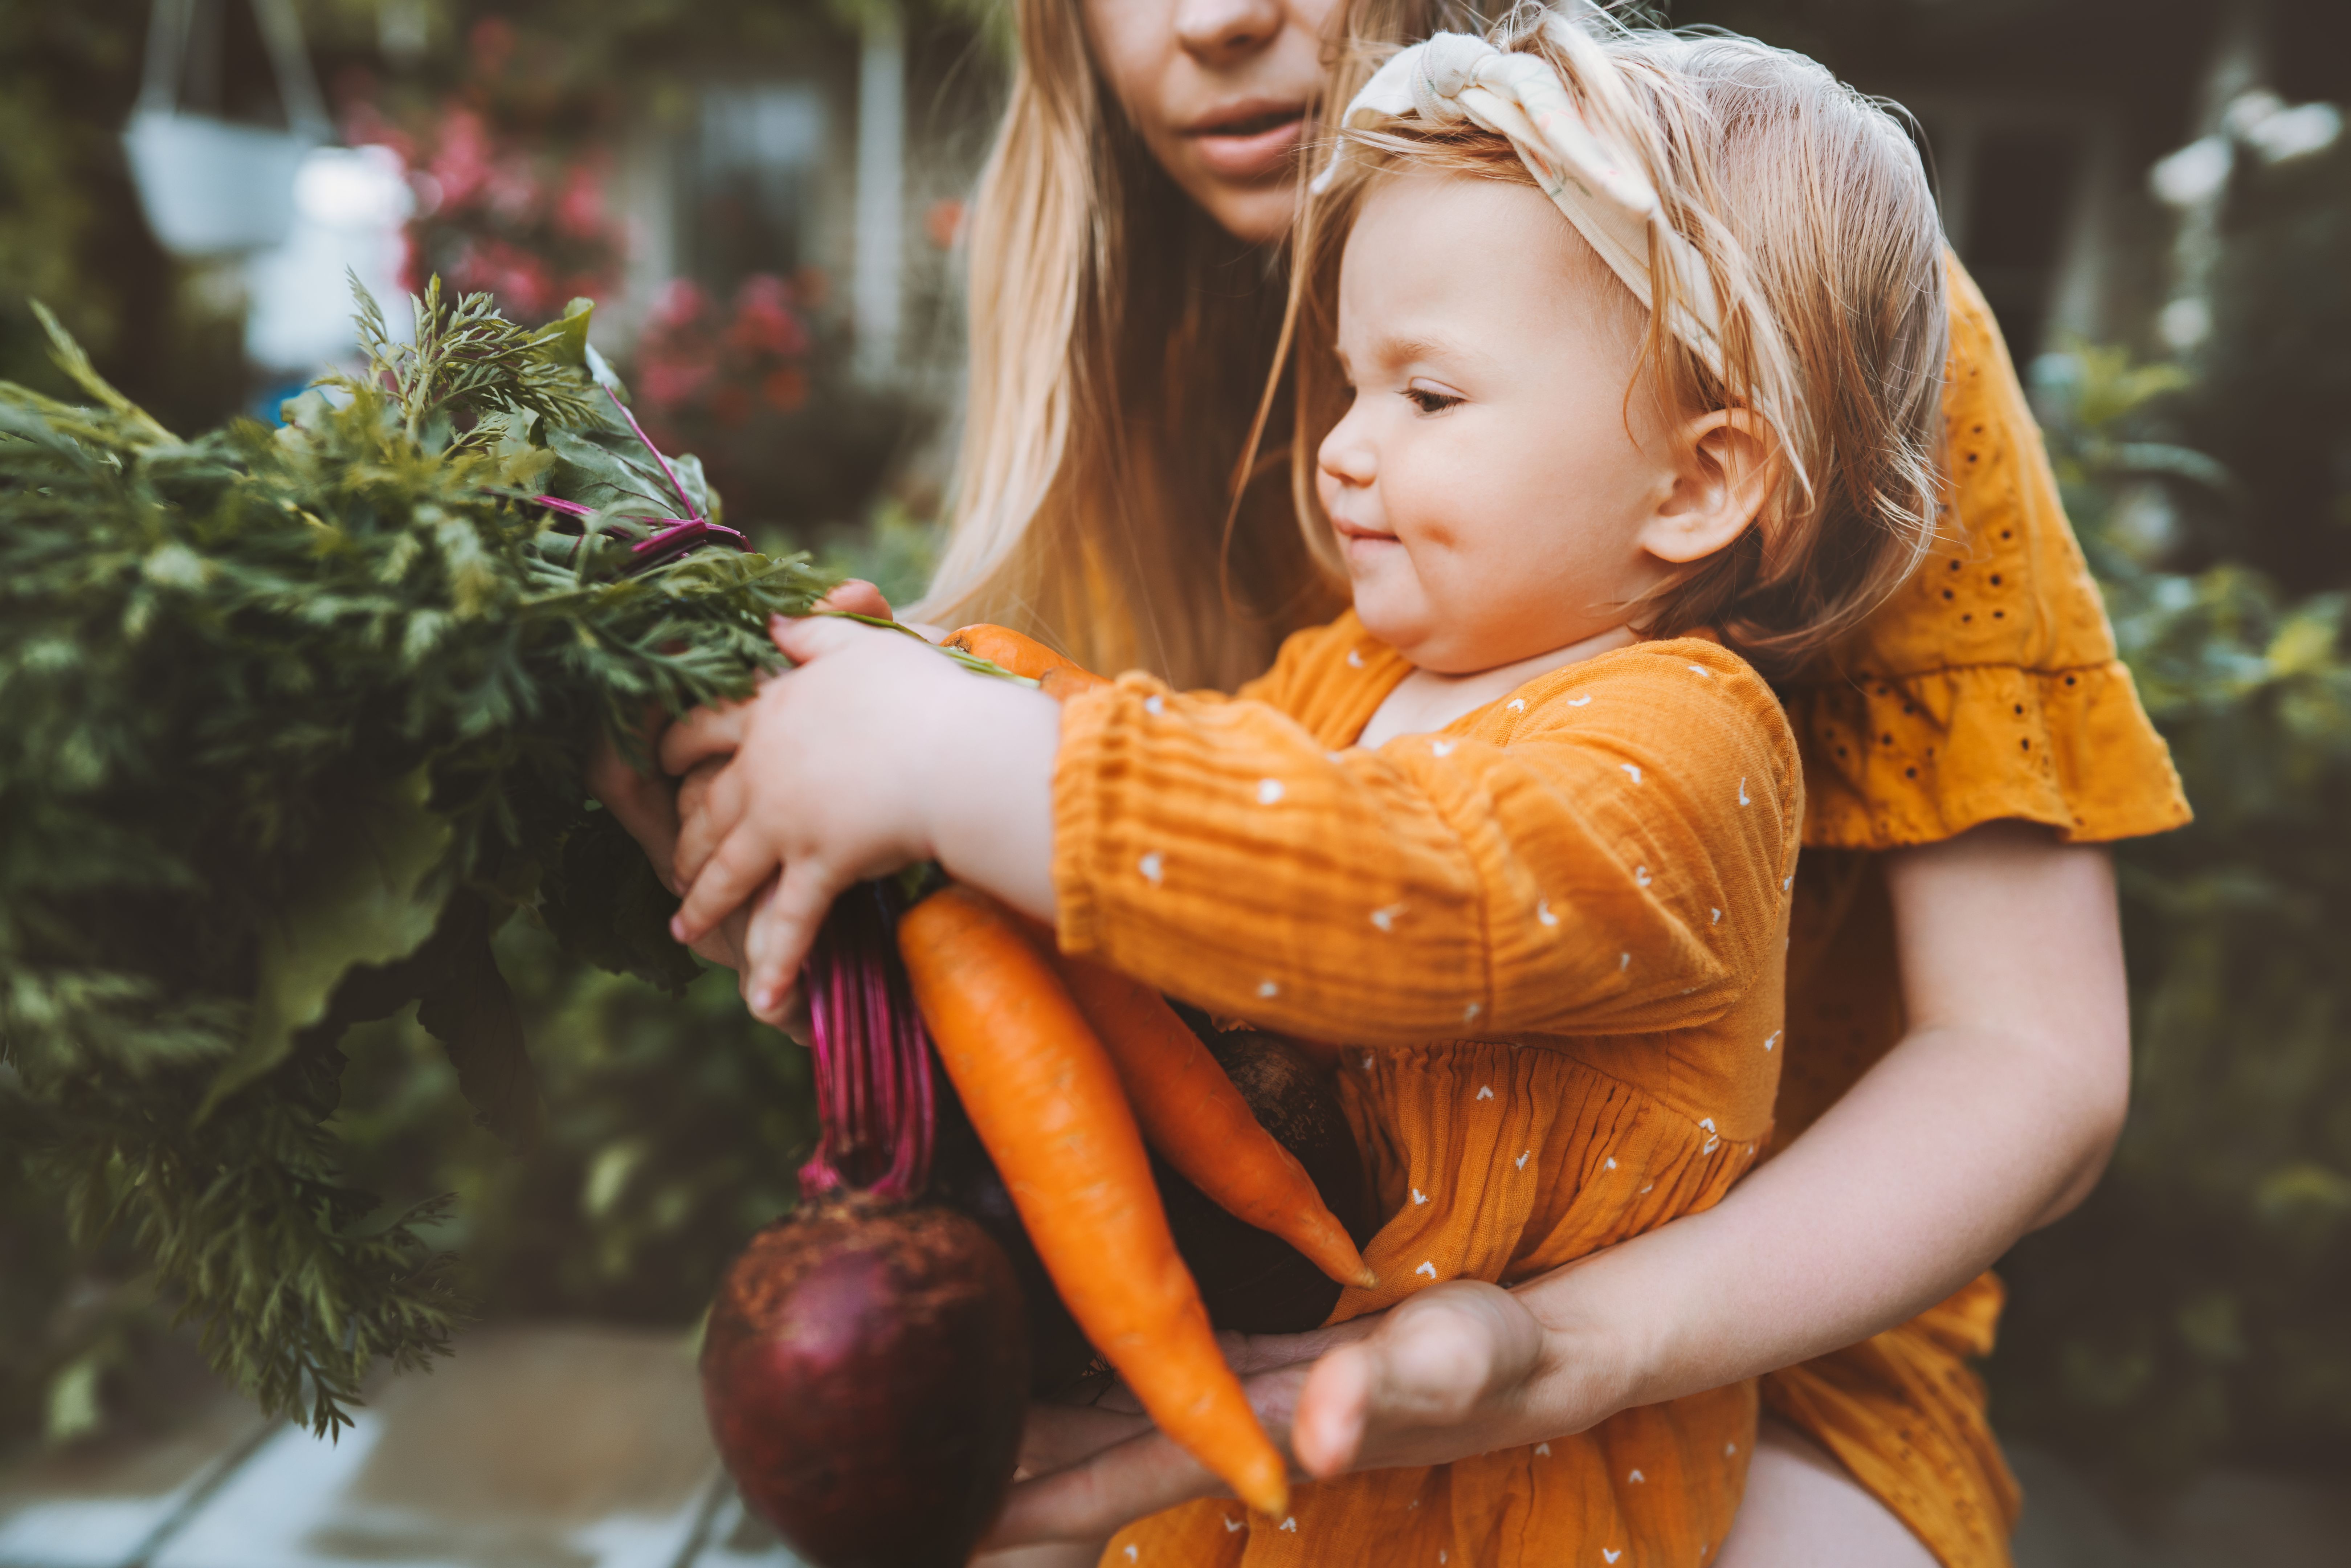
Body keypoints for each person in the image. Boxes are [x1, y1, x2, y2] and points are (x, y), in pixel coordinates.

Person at [595, 3, 2191, 1564]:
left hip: (1579, 1452)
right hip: (1309, 1399)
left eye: (1423, 398)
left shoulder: (1685, 732)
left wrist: (963, 761)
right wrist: (915, 712)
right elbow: (1198, 767)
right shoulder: (1374, 653)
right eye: (1348, 386)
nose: (1343, 452)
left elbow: (1401, 879)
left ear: (1705, 480)